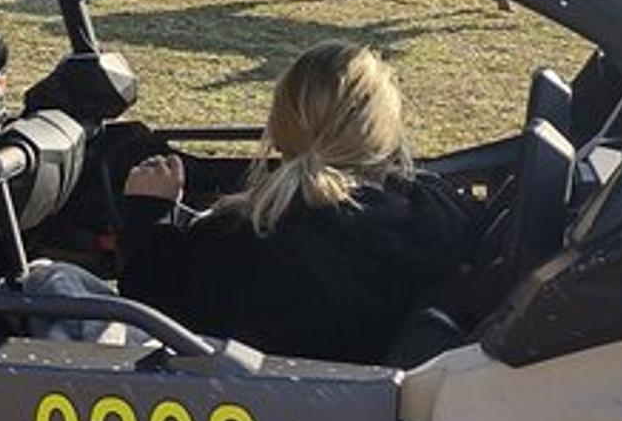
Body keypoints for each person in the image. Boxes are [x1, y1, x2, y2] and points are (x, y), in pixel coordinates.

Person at [117, 40, 477, 363]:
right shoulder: (439, 219)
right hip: (359, 402)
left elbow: (152, 307)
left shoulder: (248, 240)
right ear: (386, 132)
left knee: (63, 284)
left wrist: (150, 215)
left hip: (268, 415)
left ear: (278, 127)